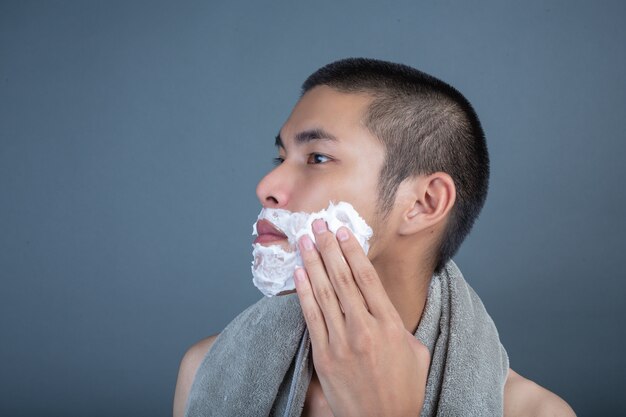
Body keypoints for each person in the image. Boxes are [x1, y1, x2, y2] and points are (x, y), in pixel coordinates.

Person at [173, 58, 576, 417]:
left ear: (424, 203)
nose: (267, 186)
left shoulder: (530, 411)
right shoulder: (206, 371)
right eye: (281, 158)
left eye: (317, 158)